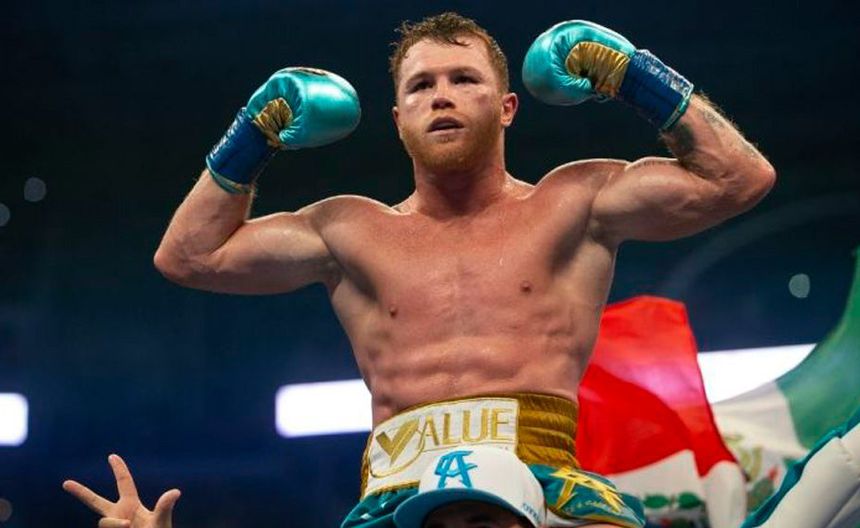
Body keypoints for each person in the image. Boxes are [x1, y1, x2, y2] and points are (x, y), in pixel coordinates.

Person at [87, 11, 776, 528]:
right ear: (398, 118)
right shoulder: (347, 230)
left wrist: (631, 73)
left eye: (463, 79)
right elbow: (188, 256)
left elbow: (739, 179)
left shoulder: (576, 202)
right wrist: (254, 132)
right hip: (397, 499)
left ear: (506, 107)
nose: (440, 96)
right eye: (421, 86)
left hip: (543, 486)